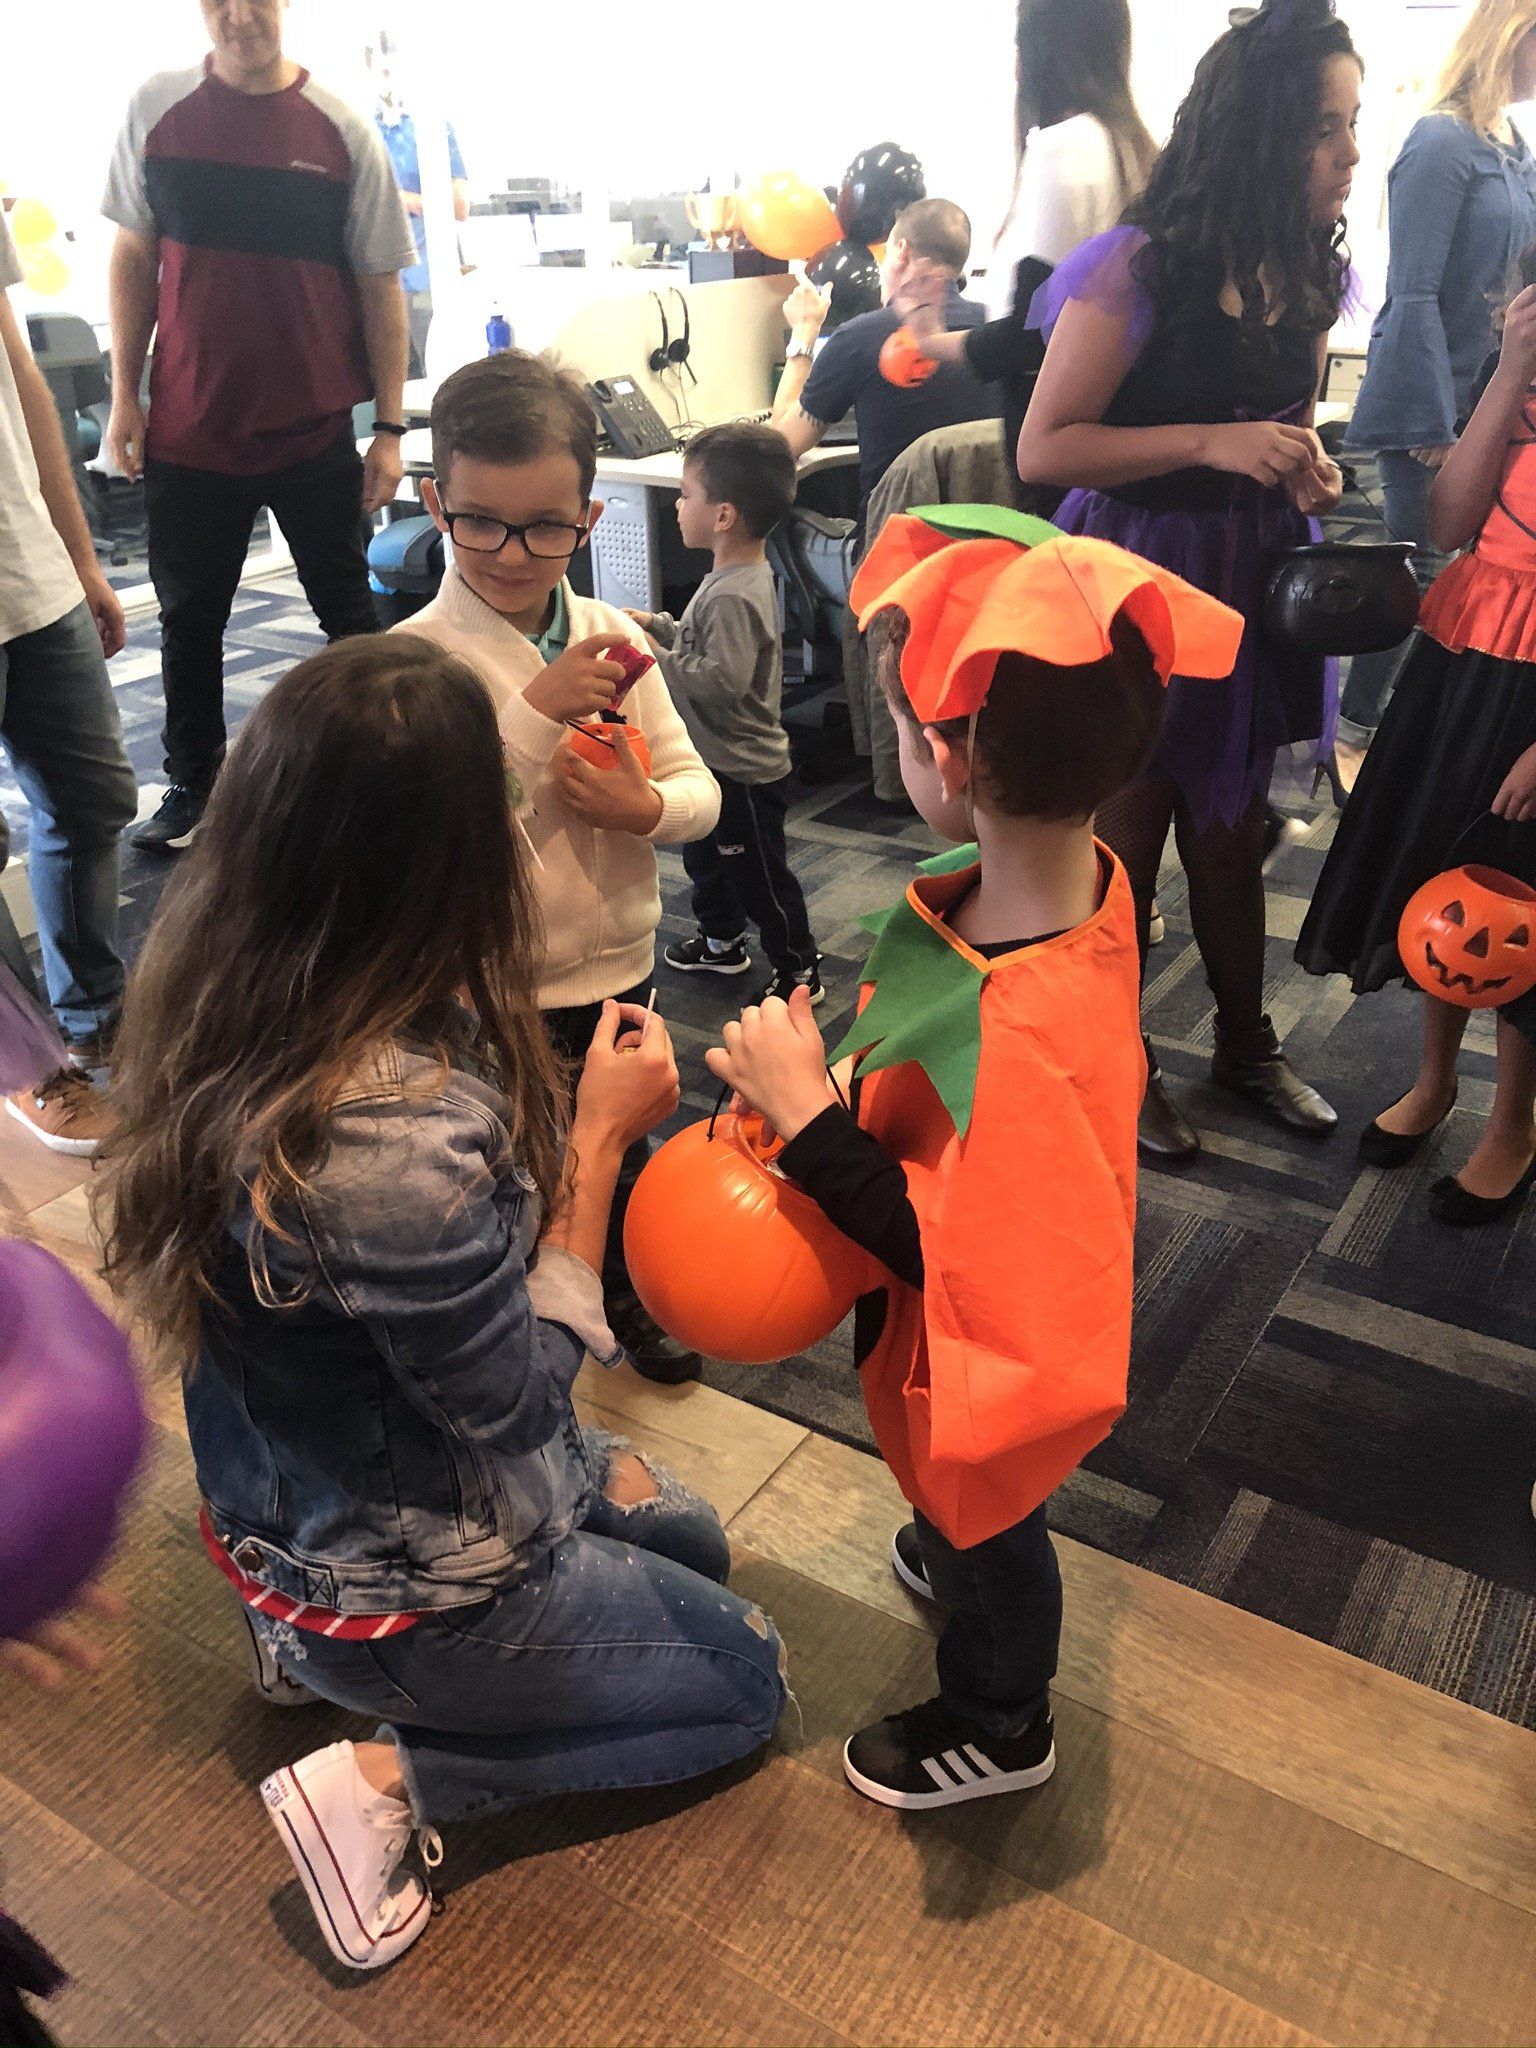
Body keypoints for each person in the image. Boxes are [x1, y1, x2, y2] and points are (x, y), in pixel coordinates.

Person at [97, 634, 786, 1973]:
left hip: (310, 1495)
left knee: (693, 1543)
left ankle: (298, 1643)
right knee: (746, 1680)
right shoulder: (385, 1136)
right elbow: (513, 1402)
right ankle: (383, 1777)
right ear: (448, 857)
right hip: (405, 1568)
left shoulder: (226, 985)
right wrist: (598, 1145)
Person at [705, 507, 1240, 1808]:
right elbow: (938, 1051)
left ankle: (1003, 1718)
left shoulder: (1028, 1030)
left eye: (900, 725)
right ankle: (953, 1555)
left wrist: (813, 1123)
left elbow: (943, 1250)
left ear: (944, 755)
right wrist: (836, 1082)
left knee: (989, 1521)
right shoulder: (1054, 882)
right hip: (966, 1292)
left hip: (993, 1351)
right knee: (951, 1501)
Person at [1016, 0, 1358, 1163]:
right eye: (1326, 127)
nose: (1349, 154)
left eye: (1351, 124)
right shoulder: (1141, 264)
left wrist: (1305, 466)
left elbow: (1287, 423)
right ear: (1261, 130)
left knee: (1228, 824)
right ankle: (1119, 1060)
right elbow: (1046, 446)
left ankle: (1244, 1045)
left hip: (1250, 580)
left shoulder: (1308, 270)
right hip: (1136, 575)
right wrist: (1216, 441)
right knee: (1126, 832)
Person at [401, 349, 720, 1384]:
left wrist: (648, 808)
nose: (510, 553)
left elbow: (700, 788)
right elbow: (431, 843)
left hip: (620, 962)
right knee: (504, 1157)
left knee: (618, 1139)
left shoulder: (615, 638)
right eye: (479, 521)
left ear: (589, 517)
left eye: (545, 526)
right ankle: (508, 1316)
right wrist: (534, 716)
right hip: (491, 982)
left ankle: (620, 1288)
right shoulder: (417, 664)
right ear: (435, 502)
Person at [102, 0, 416, 855]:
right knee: (190, 623)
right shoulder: (157, 111)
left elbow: (380, 285)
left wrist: (389, 428)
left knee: (349, 619)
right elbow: (134, 256)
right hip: (189, 433)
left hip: (312, 432)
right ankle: (193, 784)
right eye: (220, 0)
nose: (239, 15)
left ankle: (381, 777)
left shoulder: (341, 129)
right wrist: (125, 397)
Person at [1297, 262, 1536, 1227]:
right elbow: (1448, 522)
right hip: (1468, 666)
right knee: (1445, 872)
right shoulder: (1514, 386)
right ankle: (1434, 1081)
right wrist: (1510, 371)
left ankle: (1513, 1124)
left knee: (1523, 903)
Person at [1338, 0, 1536, 785]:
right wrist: (1432, 419)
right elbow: (1413, 290)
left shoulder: (1511, 145)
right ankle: (1354, 733)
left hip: (1490, 396)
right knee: (1416, 570)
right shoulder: (1441, 139)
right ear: (1513, 35)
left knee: (1454, 572)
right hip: (1435, 399)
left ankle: (1402, 732)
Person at [894, 0, 1157, 512]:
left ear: (1038, 54)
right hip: (1109, 446)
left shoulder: (1064, 149)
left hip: (1062, 465)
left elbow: (1033, 338)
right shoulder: (1133, 151)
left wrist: (929, 340)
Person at [0, 209, 137, 1156]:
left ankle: (94, 1017)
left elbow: (21, 378)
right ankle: (24, 1065)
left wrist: (79, 555)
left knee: (92, 801)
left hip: (29, 571)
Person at [626, 423, 822, 1005]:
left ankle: (799, 967)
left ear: (723, 515)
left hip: (743, 772)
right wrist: (660, 627)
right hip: (713, 762)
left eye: (686, 494)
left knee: (759, 876)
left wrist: (655, 657)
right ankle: (721, 942)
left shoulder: (735, 593)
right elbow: (702, 642)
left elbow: (721, 682)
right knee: (706, 859)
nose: (677, 504)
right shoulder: (730, 579)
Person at [771, 199, 999, 537]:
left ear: (901, 252)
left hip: (890, 554)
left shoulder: (860, 337)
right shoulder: (997, 331)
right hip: (991, 548)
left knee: (777, 533)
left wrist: (804, 332)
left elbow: (779, 446)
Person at [367, 27, 470, 377]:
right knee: (393, 384)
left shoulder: (432, 128)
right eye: (381, 69)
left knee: (442, 373)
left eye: (393, 67)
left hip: (431, 279)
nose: (388, 76)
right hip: (382, 281)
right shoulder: (364, 131)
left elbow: (459, 206)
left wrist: (397, 199)